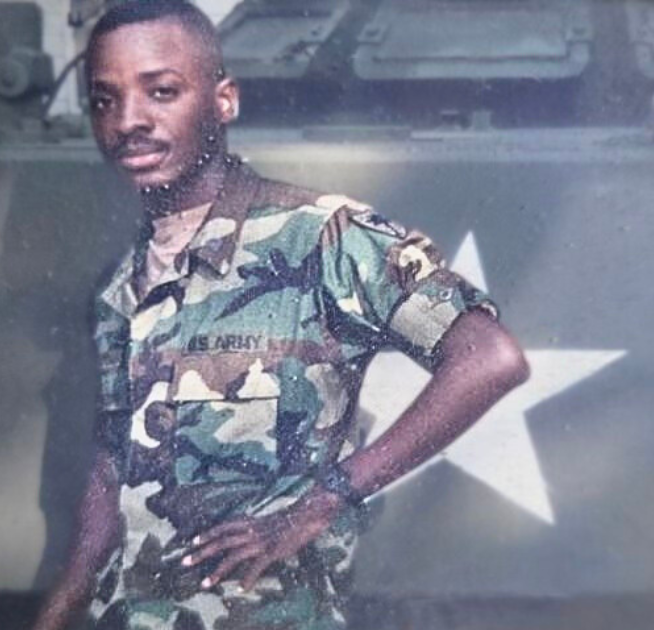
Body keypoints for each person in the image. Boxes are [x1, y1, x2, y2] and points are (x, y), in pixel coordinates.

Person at [32, 2, 530, 628]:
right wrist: (58, 607)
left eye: (162, 92)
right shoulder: (118, 290)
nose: (129, 120)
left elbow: (490, 358)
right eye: (105, 100)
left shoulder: (321, 236)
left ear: (224, 101)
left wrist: (326, 501)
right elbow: (113, 464)